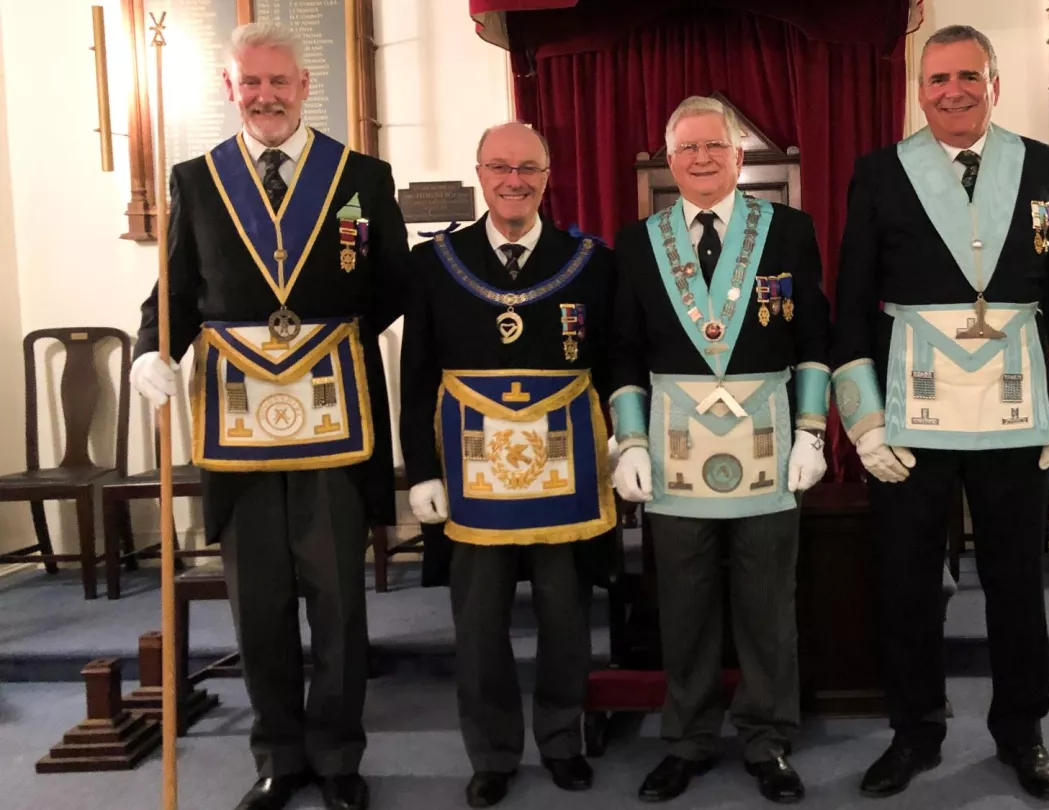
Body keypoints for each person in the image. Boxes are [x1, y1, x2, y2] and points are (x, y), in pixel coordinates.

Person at [129, 21, 407, 810]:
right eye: (250, 83)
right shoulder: (195, 178)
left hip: (333, 420)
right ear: (229, 89)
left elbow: (391, 285)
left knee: (338, 602)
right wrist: (156, 347)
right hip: (236, 427)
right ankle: (280, 756)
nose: (265, 96)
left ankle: (339, 755)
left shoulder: (361, 177)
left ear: (304, 84)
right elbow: (175, 292)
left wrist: (327, 347)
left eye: (278, 82)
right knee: (259, 602)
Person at [830, 24, 1049, 802]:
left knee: (1018, 578)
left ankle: (1023, 732)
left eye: (968, 78)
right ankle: (914, 732)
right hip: (913, 412)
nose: (953, 92)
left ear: (995, 84)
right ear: (919, 89)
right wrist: (864, 418)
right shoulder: (881, 172)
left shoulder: (1044, 168)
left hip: (1016, 410)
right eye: (938, 79)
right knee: (907, 579)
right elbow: (851, 306)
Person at [609, 96, 830, 804]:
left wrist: (812, 431)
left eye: (715, 147)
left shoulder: (790, 231)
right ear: (670, 163)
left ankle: (768, 739)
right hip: (673, 451)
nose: (702, 159)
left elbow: (815, 340)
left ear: (739, 157)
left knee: (768, 602)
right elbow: (623, 352)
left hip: (768, 443)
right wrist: (630, 442)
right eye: (687, 149)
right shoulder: (640, 242)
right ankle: (689, 739)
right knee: (684, 602)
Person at [399, 122, 617, 809]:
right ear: (480, 173)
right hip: (469, 483)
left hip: (566, 474)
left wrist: (623, 442)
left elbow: (610, 366)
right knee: (481, 624)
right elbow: (416, 376)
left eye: (528, 167)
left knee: (564, 618)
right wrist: (422, 471)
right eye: (500, 166)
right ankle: (491, 752)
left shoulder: (589, 260)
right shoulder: (436, 262)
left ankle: (560, 741)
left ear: (548, 176)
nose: (513, 179)